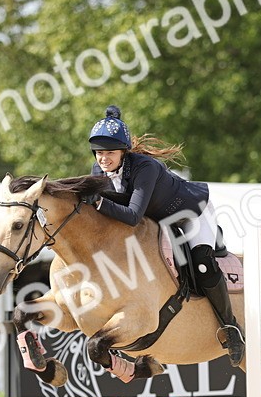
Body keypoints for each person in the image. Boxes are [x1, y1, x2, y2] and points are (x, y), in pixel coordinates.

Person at [86, 105, 244, 366]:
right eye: (99, 153)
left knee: (203, 264)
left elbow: (134, 214)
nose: (103, 159)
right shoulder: (98, 170)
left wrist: (100, 204)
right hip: (159, 221)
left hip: (191, 213)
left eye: (110, 153)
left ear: (124, 152)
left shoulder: (144, 167)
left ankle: (231, 328)